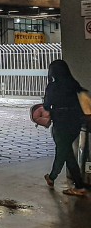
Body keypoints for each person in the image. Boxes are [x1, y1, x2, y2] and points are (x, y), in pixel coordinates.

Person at [43, 60, 87, 196]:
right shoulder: (73, 84)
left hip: (60, 123)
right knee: (67, 153)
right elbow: (82, 97)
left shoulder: (52, 87)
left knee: (63, 152)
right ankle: (78, 186)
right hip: (75, 123)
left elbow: (46, 106)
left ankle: (52, 177)